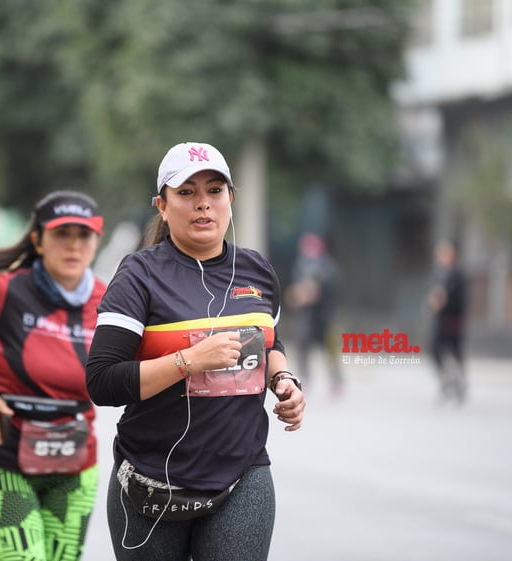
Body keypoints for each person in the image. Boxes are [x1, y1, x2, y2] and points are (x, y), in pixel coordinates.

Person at [86, 142, 306, 561]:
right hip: (152, 483)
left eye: (214, 190)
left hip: (243, 475)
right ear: (162, 206)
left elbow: (271, 341)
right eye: (186, 192)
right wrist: (189, 362)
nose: (203, 204)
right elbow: (101, 381)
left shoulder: (258, 269)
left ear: (231, 199)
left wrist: (283, 380)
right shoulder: (139, 275)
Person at [0, 190, 106, 561]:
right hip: (4, 459)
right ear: (38, 239)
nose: (73, 245)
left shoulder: (111, 301)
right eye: (61, 233)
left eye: (83, 235)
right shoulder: (5, 291)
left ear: (97, 241)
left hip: (76, 465)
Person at [284, 232, 343, 396]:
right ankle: (306, 379)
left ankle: (336, 382)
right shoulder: (301, 266)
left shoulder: (327, 267)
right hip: (306, 317)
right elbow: (296, 293)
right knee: (302, 348)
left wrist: (306, 295)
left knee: (330, 351)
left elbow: (317, 292)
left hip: (326, 316)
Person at [427, 237, 468, 404]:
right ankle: (447, 380)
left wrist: (444, 300)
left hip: (453, 318)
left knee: (454, 351)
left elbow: (457, 298)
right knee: (435, 350)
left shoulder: (457, 275)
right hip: (440, 319)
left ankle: (458, 382)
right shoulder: (438, 274)